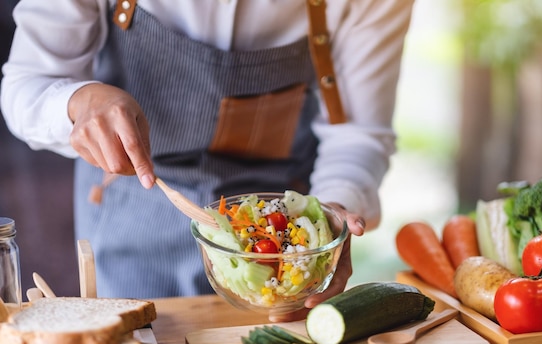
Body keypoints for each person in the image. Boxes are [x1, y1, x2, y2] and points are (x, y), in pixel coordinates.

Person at [1, 0, 413, 320]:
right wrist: (79, 101)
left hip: (281, 261)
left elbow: (357, 133)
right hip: (131, 218)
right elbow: (25, 86)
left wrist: (335, 210)